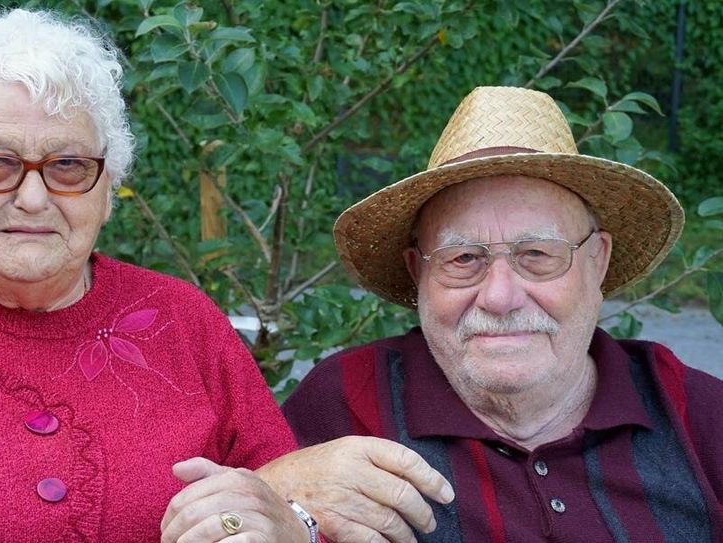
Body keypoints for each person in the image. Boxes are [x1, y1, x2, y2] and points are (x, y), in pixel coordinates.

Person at [0, 9, 316, 542]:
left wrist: (280, 525)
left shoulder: (181, 322)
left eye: (68, 166)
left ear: (107, 188)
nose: (33, 198)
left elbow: (281, 500)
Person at [277, 86, 723, 542]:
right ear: (418, 272)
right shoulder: (343, 404)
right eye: (463, 258)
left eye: (536, 253)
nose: (500, 296)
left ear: (598, 261)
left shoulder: (699, 415)